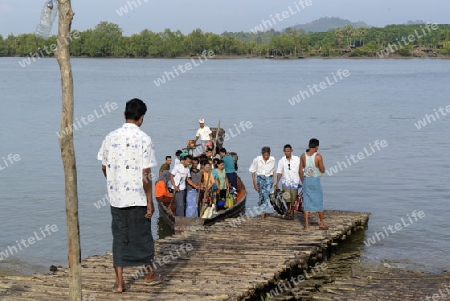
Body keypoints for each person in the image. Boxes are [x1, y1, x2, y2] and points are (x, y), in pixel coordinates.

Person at [97, 98, 163, 291]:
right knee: (143, 236)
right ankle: (149, 274)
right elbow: (146, 174)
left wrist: (113, 181)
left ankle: (119, 283)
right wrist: (150, 201)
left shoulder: (110, 137)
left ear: (124, 115)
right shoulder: (144, 139)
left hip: (116, 198)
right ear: (142, 118)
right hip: (138, 197)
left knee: (119, 237)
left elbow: (103, 166)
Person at [299, 138, 328, 230]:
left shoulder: (303, 156)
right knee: (318, 200)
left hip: (306, 180)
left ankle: (307, 225)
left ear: (308, 146)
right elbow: (322, 170)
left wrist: (303, 181)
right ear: (317, 147)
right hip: (315, 180)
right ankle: (321, 223)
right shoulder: (318, 156)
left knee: (306, 202)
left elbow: (300, 170)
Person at [274, 144, 301, 219]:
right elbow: (279, 172)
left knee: (294, 198)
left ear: (291, 151)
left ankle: (292, 211)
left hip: (295, 182)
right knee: (286, 197)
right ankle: (289, 209)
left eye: (288, 151)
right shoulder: (282, 160)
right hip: (285, 182)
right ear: (284, 151)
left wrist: (303, 180)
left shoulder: (297, 159)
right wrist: (277, 182)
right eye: (286, 151)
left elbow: (300, 170)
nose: (287, 153)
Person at [249, 147, 275, 219]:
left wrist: (273, 179)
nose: (266, 157)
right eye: (265, 155)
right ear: (262, 154)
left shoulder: (272, 159)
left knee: (266, 195)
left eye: (268, 155)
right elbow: (252, 171)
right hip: (260, 179)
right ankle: (262, 208)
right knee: (261, 196)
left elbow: (273, 169)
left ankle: (263, 212)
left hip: (268, 179)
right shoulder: (257, 160)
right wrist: (254, 183)